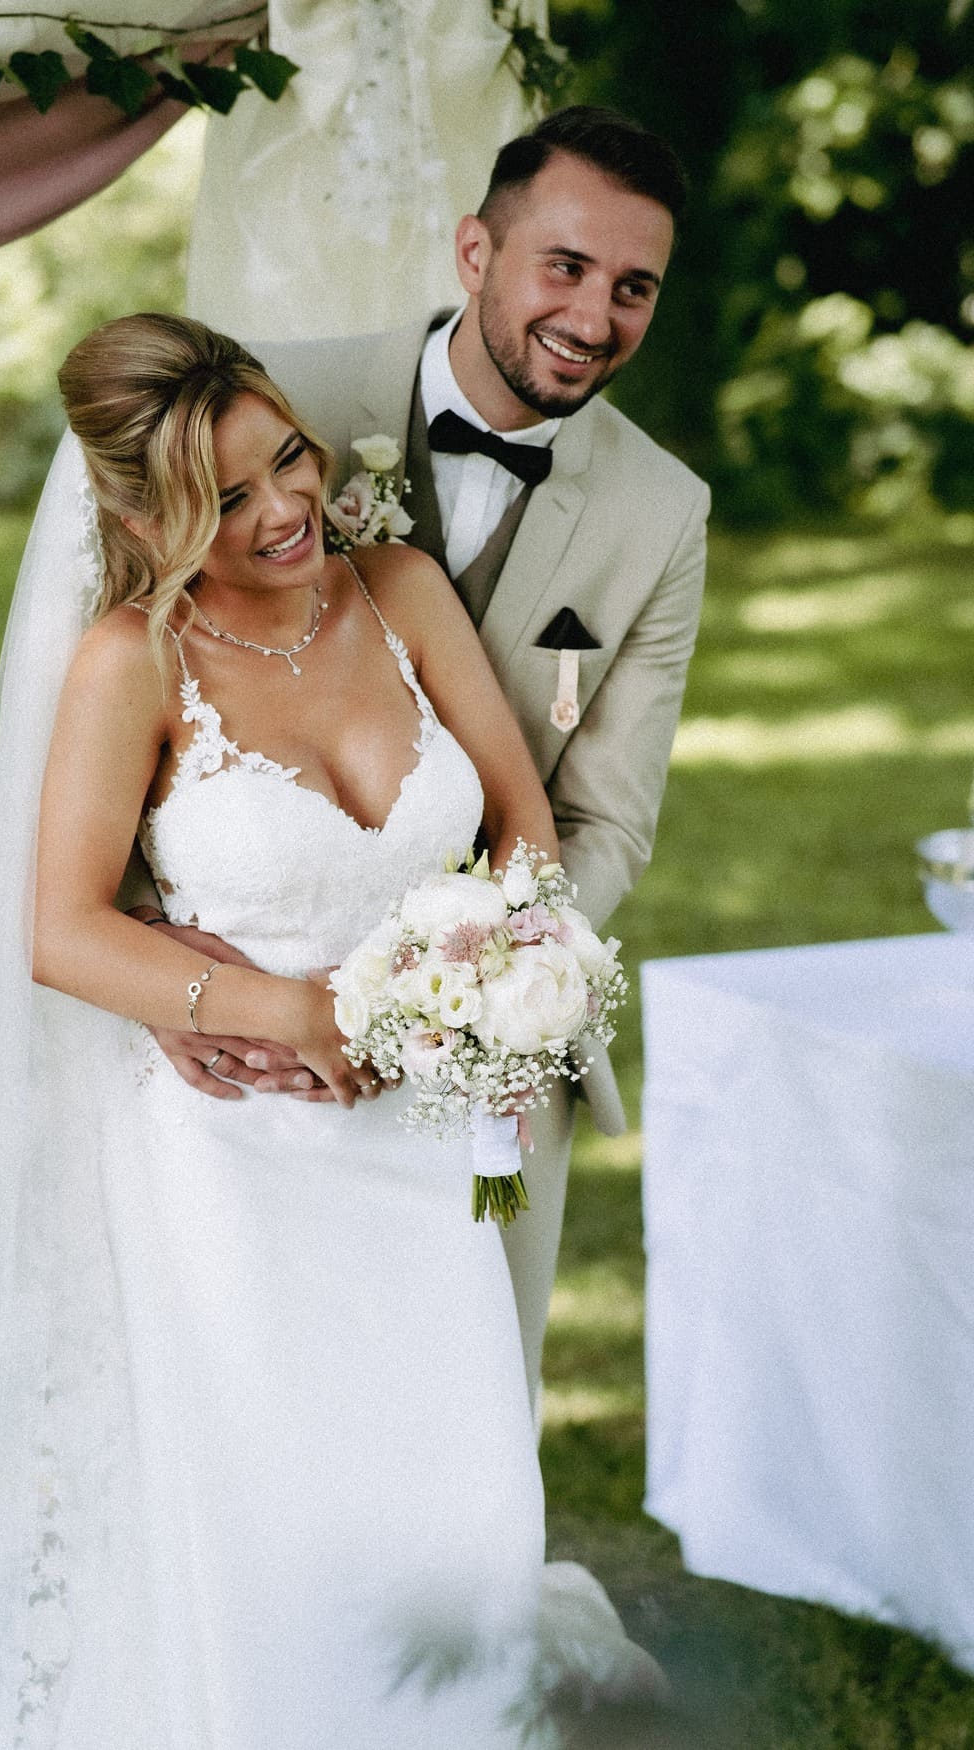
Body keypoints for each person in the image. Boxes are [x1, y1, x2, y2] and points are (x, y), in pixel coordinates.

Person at [0, 314, 667, 1750]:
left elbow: (522, 832)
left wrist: (483, 984)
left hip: (440, 1139)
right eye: (231, 496)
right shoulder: (131, 666)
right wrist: (284, 1009)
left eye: (290, 462)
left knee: (465, 1480)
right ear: (144, 517)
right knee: (284, 1515)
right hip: (239, 1167)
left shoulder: (398, 591)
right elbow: (59, 926)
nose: (284, 513)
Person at [137, 105, 712, 1417]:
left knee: (477, 1390)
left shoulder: (664, 513)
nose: (594, 314)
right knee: (256, 1392)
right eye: (563, 265)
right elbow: (124, 678)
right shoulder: (279, 406)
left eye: (635, 287)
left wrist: (454, 994)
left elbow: (607, 821)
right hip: (248, 1031)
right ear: (476, 251)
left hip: (500, 1056)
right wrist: (174, 980)